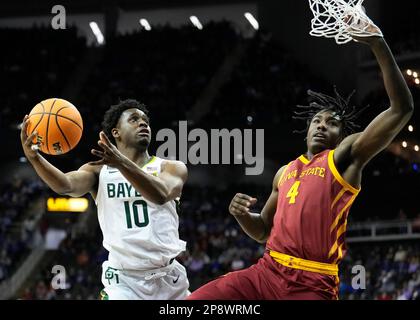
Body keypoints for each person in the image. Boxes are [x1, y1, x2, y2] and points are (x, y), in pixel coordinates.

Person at [187, 20, 414, 300]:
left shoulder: (343, 158)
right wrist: (242, 216)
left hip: (312, 283)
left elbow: (401, 109)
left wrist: (378, 43)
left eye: (331, 123)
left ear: (342, 135)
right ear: (307, 129)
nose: (321, 125)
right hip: (266, 273)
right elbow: (262, 232)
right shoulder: (284, 172)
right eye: (317, 120)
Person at [20, 99, 190, 300]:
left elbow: (160, 195)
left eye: (145, 120)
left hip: (169, 278)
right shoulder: (99, 171)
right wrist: (35, 158)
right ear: (116, 132)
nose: (143, 123)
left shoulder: (170, 167)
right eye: (134, 119)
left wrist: (122, 164)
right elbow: (65, 185)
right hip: (124, 282)